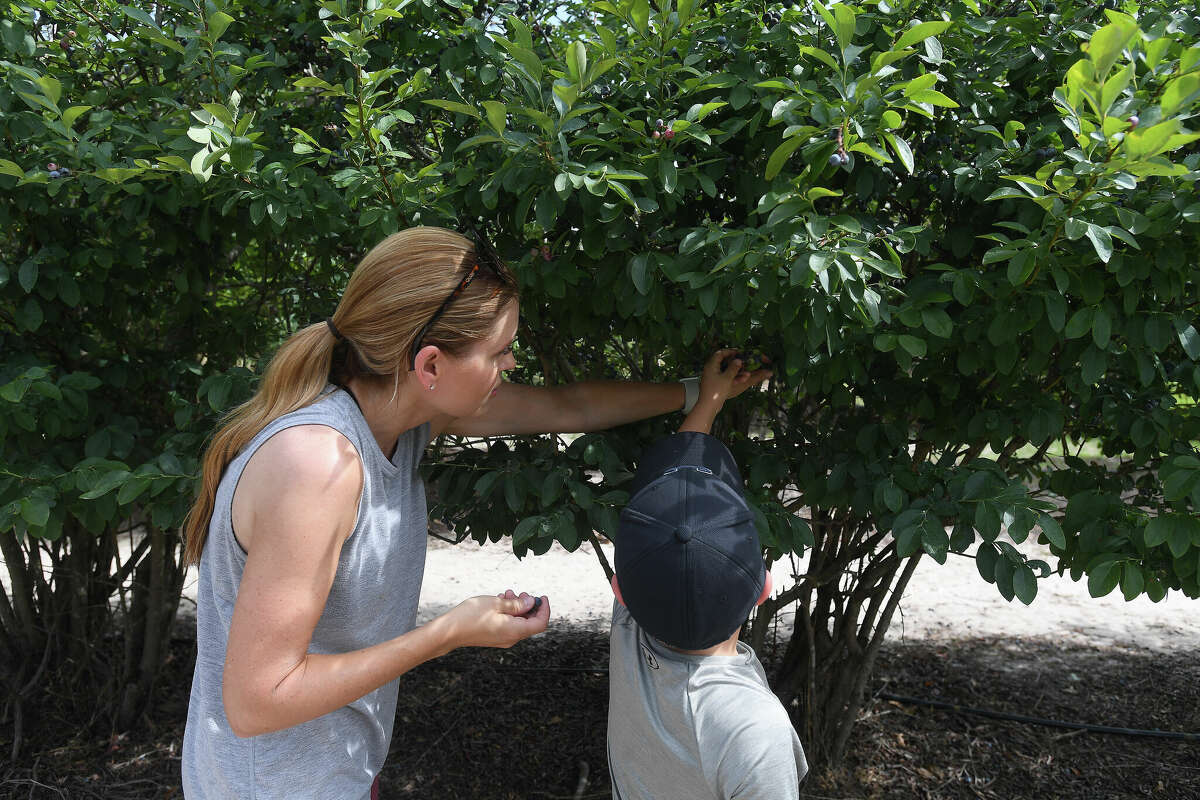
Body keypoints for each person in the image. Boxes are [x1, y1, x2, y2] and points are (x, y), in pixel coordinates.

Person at [179, 226, 767, 799]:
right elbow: (258, 701)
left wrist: (701, 394)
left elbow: (569, 406)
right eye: (500, 351)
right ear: (429, 366)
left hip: (336, 776)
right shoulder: (316, 465)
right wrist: (447, 634)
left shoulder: (403, 421)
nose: (511, 365)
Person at [607, 350, 809, 799]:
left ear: (620, 591)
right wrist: (711, 401)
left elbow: (663, 520)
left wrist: (709, 401)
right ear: (765, 588)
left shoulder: (630, 635)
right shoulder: (754, 733)